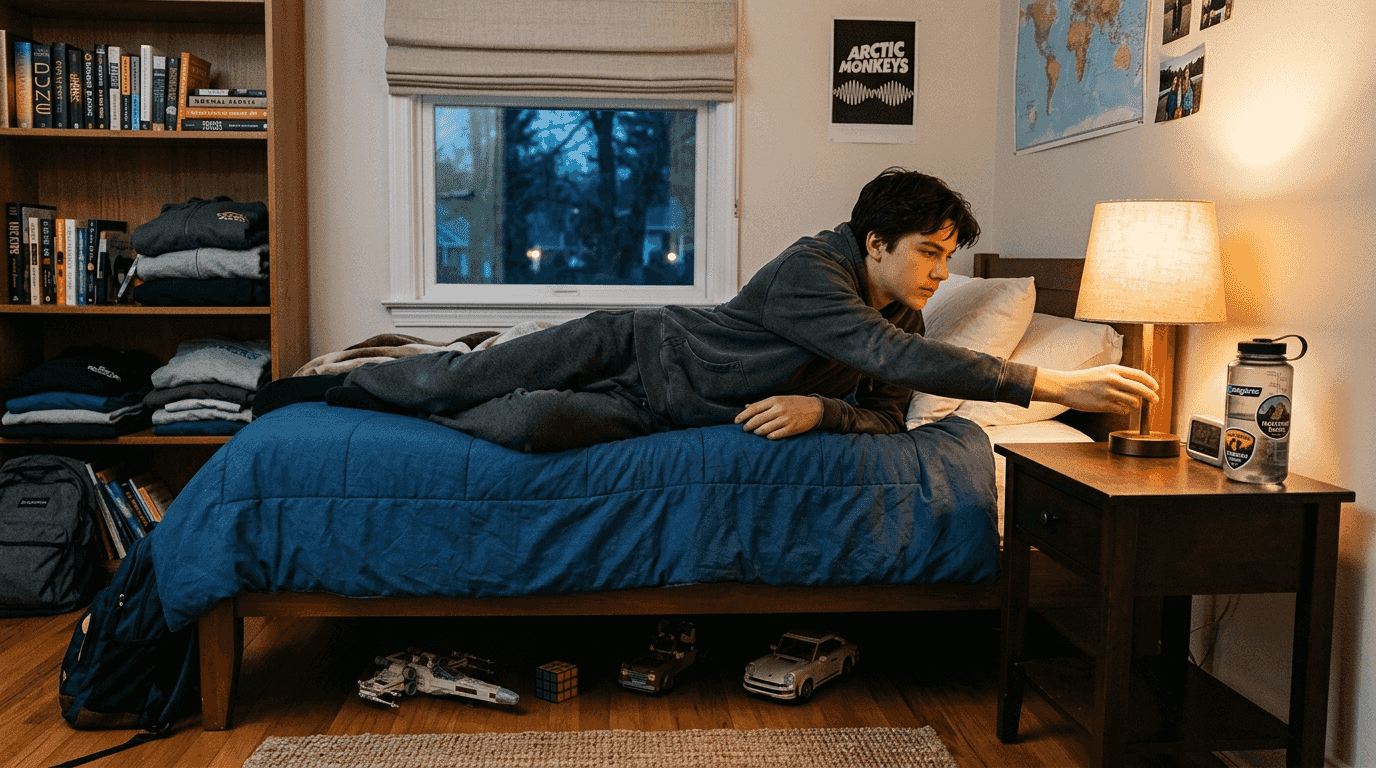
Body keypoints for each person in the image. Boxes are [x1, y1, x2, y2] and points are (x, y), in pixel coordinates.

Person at [330, 168, 1157, 453]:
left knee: (526, 426)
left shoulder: (899, 319)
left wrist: (821, 409)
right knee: (466, 375)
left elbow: (885, 414)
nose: (941, 273)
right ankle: (338, 390)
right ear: (875, 242)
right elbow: (898, 365)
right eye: (930, 252)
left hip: (660, 413)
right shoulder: (813, 268)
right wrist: (1050, 385)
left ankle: (443, 410)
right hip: (635, 348)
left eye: (949, 258)